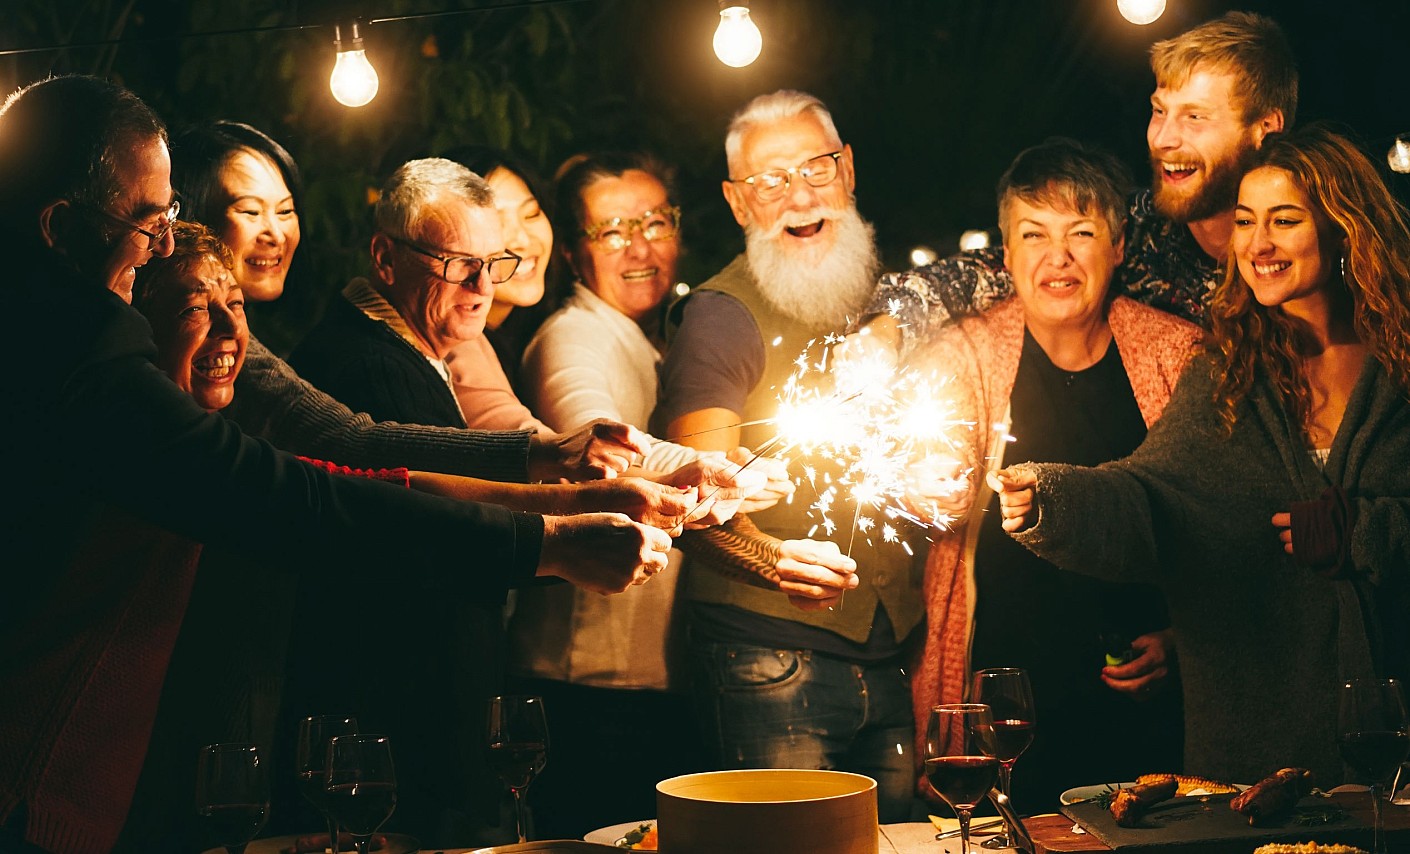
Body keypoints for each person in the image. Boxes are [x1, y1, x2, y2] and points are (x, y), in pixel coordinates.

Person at [0, 74, 671, 854]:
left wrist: (555, 491)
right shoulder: (87, 356)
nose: (158, 248)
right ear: (59, 229)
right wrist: (546, 544)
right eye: (150, 227)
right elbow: (296, 497)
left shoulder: (117, 341)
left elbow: (355, 459)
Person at [991, 125, 1410, 787]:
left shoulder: (1401, 366)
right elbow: (1156, 496)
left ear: (1343, 228)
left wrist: (1367, 531)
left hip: (1396, 735)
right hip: (1261, 741)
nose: (1257, 244)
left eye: (1285, 219)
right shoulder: (1229, 369)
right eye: (1244, 221)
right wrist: (1047, 496)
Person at [905, 138, 1200, 810]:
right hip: (1005, 703)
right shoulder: (965, 356)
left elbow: (1218, 522)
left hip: (1147, 698)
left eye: (1082, 233)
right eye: (1034, 234)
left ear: (1120, 246)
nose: (1057, 257)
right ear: (1006, 253)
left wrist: (1183, 641)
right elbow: (919, 488)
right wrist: (922, 493)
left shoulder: (1177, 354)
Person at [652, 89, 917, 822]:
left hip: (891, 651)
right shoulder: (718, 318)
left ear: (849, 169)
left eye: (815, 168)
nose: (799, 194)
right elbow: (690, 500)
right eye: (770, 180)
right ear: (740, 204)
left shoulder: (885, 292)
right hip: (768, 663)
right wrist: (775, 561)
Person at [510, 150, 774, 837]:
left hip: (655, 679)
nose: (640, 245)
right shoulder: (572, 338)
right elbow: (596, 436)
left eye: (656, 220)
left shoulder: (663, 340)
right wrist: (715, 468)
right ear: (573, 252)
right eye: (613, 229)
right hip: (588, 687)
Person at [853, 11, 1295, 360]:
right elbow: (986, 271)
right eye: (1160, 111)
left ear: (1265, 129)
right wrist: (888, 326)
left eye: (1195, 117)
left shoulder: (1326, 237)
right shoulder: (1139, 233)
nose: (1163, 138)